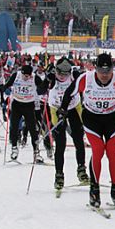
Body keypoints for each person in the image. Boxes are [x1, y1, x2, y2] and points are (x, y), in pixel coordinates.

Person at [75, 53, 115, 208]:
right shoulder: (85, 78)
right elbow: (70, 93)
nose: (105, 75)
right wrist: (62, 110)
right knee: (98, 150)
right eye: (102, 71)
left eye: (108, 72)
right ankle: (94, 190)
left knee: (113, 152)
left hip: (112, 119)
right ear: (96, 69)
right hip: (91, 119)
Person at [48, 58, 88, 189]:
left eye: (65, 75)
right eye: (60, 74)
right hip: (56, 109)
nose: (63, 77)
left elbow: (85, 82)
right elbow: (40, 90)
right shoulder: (51, 77)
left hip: (74, 108)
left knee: (78, 139)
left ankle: (81, 169)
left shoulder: (74, 75)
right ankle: (59, 175)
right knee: (60, 143)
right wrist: (44, 84)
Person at [4, 64, 47, 163]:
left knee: (33, 129)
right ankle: (14, 148)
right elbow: (8, 84)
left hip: (29, 105)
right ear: (22, 73)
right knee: (14, 126)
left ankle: (36, 152)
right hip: (17, 104)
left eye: (28, 76)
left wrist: (45, 88)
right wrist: (5, 88)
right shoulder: (16, 75)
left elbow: (42, 89)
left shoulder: (35, 77)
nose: (26, 78)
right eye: (25, 76)